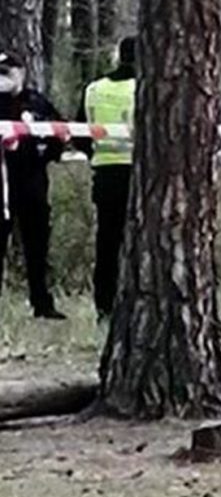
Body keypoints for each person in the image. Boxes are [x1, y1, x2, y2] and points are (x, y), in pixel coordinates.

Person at [0, 50, 66, 319]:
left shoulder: (36, 102)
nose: (4, 78)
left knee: (37, 246)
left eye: (7, 72)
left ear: (21, 73)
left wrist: (46, 154)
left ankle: (42, 303)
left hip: (32, 183)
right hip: (3, 184)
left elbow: (60, 132)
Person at [74, 37, 135, 320]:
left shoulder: (94, 89)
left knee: (107, 243)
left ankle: (105, 307)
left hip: (106, 174)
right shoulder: (147, 89)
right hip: (140, 176)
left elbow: (79, 134)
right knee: (142, 244)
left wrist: (96, 154)